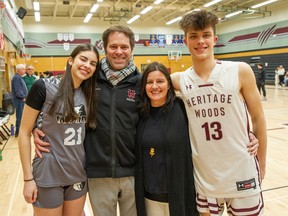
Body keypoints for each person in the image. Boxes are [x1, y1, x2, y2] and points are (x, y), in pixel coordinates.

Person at [33, 26, 142, 216]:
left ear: (132, 49)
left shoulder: (142, 83)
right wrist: (38, 125)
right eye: (113, 46)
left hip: (133, 171)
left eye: (124, 47)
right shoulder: (90, 79)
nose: (118, 52)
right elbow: (61, 98)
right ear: (105, 48)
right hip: (97, 172)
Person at [171, 10, 267, 215]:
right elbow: (147, 84)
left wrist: (262, 162)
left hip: (242, 171)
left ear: (214, 39)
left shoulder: (240, 71)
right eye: (194, 36)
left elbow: (258, 117)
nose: (200, 41)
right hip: (206, 177)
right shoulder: (179, 80)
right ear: (185, 41)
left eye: (205, 35)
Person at [18, 44, 100, 216]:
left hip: (77, 173)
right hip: (49, 173)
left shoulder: (89, 93)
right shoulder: (43, 87)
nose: (87, 66)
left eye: (93, 63)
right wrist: (27, 179)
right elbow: (23, 133)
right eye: (83, 59)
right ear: (70, 60)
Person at [135, 62, 198, 216]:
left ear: (169, 85)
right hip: (150, 197)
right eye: (150, 82)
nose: (154, 86)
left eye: (160, 81)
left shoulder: (183, 108)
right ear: (144, 86)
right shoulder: (140, 113)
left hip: (179, 194)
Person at [11, 64, 28, 137]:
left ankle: (20, 131)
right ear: (19, 70)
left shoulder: (19, 77)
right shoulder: (17, 78)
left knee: (22, 116)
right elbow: (18, 90)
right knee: (20, 116)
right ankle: (18, 132)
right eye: (23, 69)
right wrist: (23, 97)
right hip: (20, 100)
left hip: (21, 100)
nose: (25, 70)